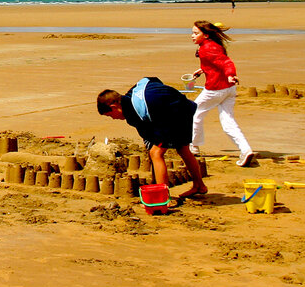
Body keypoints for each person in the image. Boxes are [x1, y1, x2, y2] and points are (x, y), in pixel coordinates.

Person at [98, 79, 208, 198]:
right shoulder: (132, 94)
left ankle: (163, 197)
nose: (113, 119)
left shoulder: (136, 110)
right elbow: (151, 80)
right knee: (182, 148)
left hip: (174, 114)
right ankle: (199, 186)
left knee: (156, 153)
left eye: (110, 115)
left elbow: (153, 126)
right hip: (181, 106)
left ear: (114, 107)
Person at [188, 21, 254, 167]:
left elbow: (225, 62)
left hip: (215, 90)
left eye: (196, 33)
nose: (192, 36)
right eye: (192, 32)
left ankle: (194, 146)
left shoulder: (207, 48)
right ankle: (246, 150)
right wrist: (203, 70)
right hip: (229, 89)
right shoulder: (212, 45)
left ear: (206, 35)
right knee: (228, 121)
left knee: (193, 113)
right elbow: (216, 61)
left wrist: (231, 74)